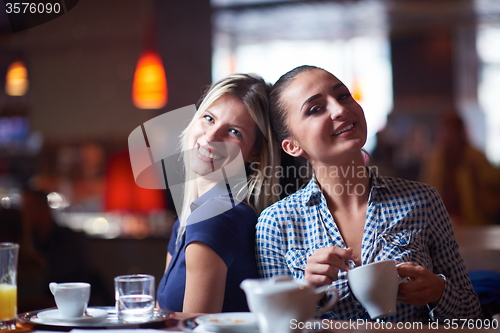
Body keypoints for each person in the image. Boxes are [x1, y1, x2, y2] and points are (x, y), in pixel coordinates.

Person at [256, 65, 482, 322]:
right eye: (316, 109)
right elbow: (273, 326)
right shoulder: (276, 223)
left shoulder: (423, 201)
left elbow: (473, 317)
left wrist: (439, 292)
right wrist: (305, 291)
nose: (341, 109)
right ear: (292, 145)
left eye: (342, 96)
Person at [156, 73, 280, 313]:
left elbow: (198, 328)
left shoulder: (216, 217)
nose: (211, 137)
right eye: (209, 118)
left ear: (255, 153)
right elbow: (160, 313)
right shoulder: (187, 220)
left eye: (234, 132)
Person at [421, 112, 500, 226]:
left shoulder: (475, 156)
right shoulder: (435, 160)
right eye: (444, 130)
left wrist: (476, 175)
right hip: (440, 223)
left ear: (460, 131)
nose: (447, 135)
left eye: (451, 130)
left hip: (472, 223)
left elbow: (493, 186)